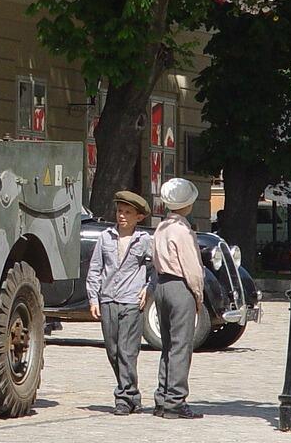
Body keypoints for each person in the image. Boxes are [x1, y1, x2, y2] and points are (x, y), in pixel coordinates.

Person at [86, 191, 153, 415]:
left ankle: (124, 397)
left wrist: (148, 288)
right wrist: (93, 298)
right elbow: (95, 269)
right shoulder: (105, 237)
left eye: (128, 213)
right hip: (108, 300)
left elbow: (156, 267)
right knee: (113, 350)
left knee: (127, 351)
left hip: (131, 301)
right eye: (119, 211)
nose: (122, 216)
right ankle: (132, 393)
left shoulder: (144, 241)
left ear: (138, 217)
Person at [151, 177, 205, 420]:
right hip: (179, 285)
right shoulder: (182, 230)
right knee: (181, 345)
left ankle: (162, 397)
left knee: (167, 346)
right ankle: (175, 400)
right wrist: (197, 294)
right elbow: (192, 268)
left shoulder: (161, 227)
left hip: (162, 285)